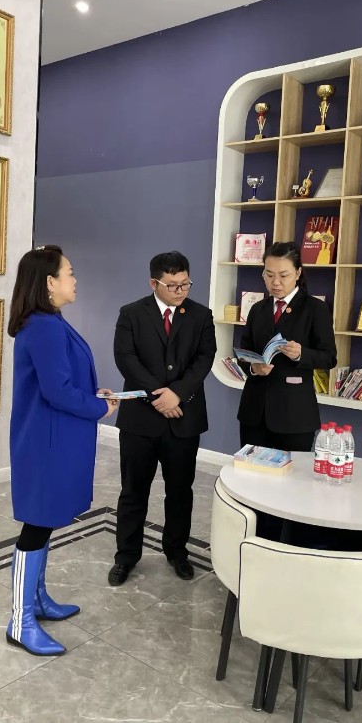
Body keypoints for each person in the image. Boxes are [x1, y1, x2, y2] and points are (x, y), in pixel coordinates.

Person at [7, 245, 117, 656]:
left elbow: (62, 381)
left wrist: (92, 394)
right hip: (46, 444)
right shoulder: (45, 326)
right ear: (50, 282)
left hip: (49, 439)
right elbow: (57, 392)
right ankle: (20, 621)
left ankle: (37, 600)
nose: (75, 279)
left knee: (46, 521)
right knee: (36, 526)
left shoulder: (49, 321)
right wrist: (98, 408)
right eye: (69, 272)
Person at [108, 251, 217, 586]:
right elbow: (125, 358)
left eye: (185, 283)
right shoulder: (131, 313)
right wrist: (159, 395)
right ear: (153, 283)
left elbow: (204, 358)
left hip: (184, 418)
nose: (180, 290)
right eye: (172, 285)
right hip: (139, 421)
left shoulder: (201, 315)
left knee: (180, 491)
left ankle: (177, 552)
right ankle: (126, 557)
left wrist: (177, 394)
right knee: (133, 491)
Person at [238, 241, 337, 453]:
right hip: (254, 412)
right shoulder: (257, 309)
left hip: (295, 415)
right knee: (250, 471)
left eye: (283, 275)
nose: (275, 282)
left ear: (298, 273)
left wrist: (301, 354)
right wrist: (254, 368)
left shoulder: (315, 308)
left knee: (293, 473)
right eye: (269, 275)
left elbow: (329, 357)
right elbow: (243, 353)